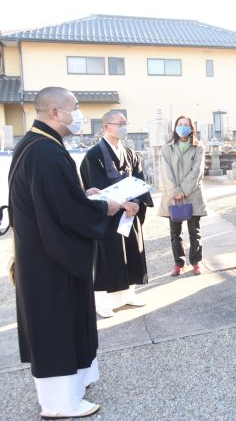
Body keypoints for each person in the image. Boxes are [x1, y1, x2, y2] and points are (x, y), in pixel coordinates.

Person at [9, 87, 122, 418]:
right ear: (54, 112)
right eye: (74, 107)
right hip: (50, 257)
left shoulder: (35, 144)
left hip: (41, 250)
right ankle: (60, 404)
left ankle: (73, 387)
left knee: (60, 320)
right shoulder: (46, 152)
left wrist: (84, 195)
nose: (79, 113)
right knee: (57, 321)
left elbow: (57, 200)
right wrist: (104, 207)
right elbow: (66, 212)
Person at [80, 110, 154, 318]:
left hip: (131, 214)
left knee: (132, 252)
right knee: (108, 256)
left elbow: (140, 180)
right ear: (106, 126)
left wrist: (137, 203)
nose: (123, 126)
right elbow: (96, 186)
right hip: (110, 216)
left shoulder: (130, 153)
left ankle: (128, 294)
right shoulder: (93, 156)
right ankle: (103, 301)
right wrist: (123, 204)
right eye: (119, 123)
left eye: (125, 122)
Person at [159, 115, 206, 276]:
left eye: (186, 125)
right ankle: (179, 263)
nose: (183, 127)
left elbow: (197, 171)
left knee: (195, 231)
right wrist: (175, 191)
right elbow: (166, 171)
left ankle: (196, 261)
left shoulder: (198, 147)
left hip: (192, 193)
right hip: (172, 195)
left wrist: (183, 190)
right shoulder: (167, 147)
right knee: (175, 233)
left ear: (192, 128)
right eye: (180, 124)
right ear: (175, 127)